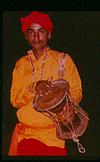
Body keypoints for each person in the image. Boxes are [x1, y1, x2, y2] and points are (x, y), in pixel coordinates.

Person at [8, 11, 82, 156]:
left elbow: (76, 90)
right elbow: (14, 99)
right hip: (26, 136)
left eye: (41, 32)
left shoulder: (63, 60)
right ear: (26, 36)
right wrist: (33, 88)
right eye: (31, 32)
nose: (36, 37)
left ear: (49, 35)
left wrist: (69, 105)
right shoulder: (20, 64)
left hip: (54, 137)